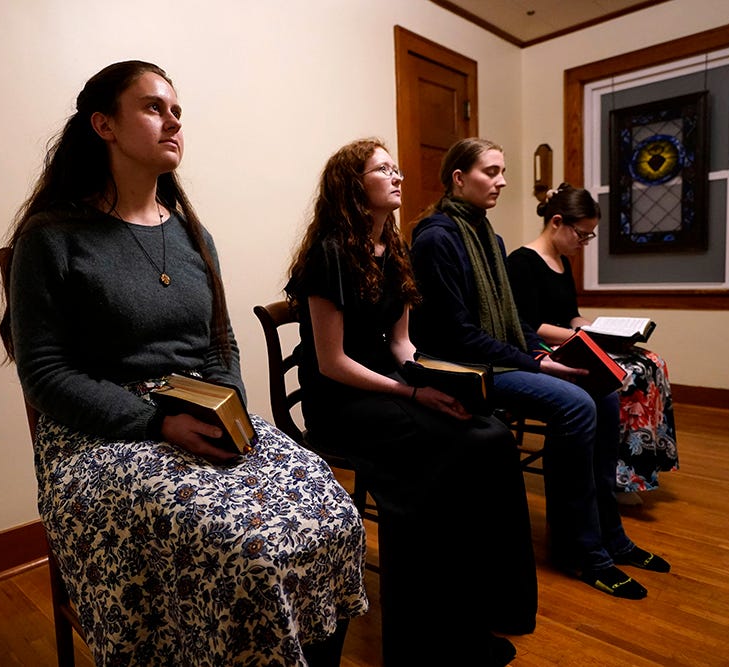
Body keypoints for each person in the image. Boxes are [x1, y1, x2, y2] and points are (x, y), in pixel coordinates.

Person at [0, 61, 367, 667]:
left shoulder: (195, 234)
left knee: (334, 514)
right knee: (242, 549)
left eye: (177, 111)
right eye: (152, 107)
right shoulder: (51, 236)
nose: (172, 120)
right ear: (103, 125)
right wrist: (156, 422)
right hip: (99, 434)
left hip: (196, 410)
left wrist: (229, 408)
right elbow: (44, 374)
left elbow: (221, 344)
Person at [285, 138, 535, 666]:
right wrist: (413, 391)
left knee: (487, 432)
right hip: (340, 401)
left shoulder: (393, 248)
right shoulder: (329, 253)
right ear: (353, 186)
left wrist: (448, 381)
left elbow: (402, 346)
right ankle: (426, 643)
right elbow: (331, 363)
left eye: (396, 168)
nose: (397, 176)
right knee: (448, 455)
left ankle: (484, 611)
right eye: (383, 169)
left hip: (387, 386)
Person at [409, 138, 670, 601]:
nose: (503, 181)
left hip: (497, 355)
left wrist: (541, 353)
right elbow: (457, 336)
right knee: (574, 405)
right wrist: (535, 361)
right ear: (458, 178)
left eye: (503, 171)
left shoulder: (490, 236)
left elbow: (514, 321)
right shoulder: (436, 238)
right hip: (463, 367)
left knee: (604, 392)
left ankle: (611, 534)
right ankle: (580, 550)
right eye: (491, 171)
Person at [505, 184, 679, 504]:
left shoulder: (562, 262)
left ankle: (642, 465)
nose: (584, 242)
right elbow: (528, 325)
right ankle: (616, 474)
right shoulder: (521, 261)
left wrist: (594, 328)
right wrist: (584, 338)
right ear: (556, 222)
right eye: (582, 234)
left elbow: (570, 314)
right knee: (627, 375)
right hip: (546, 349)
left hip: (573, 340)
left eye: (589, 236)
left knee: (652, 362)